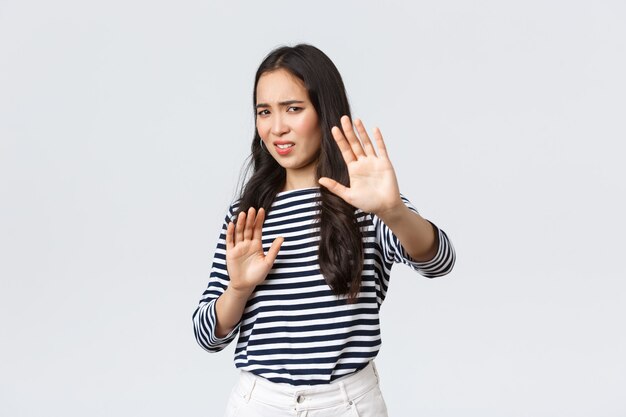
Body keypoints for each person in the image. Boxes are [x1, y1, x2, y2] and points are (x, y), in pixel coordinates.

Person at [192, 43, 456, 417]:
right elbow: (206, 334)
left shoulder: (365, 199)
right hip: (260, 404)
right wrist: (238, 288)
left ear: (325, 111)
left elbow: (439, 261)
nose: (277, 127)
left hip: (348, 403)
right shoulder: (248, 213)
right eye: (264, 112)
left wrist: (393, 211)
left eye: (294, 109)